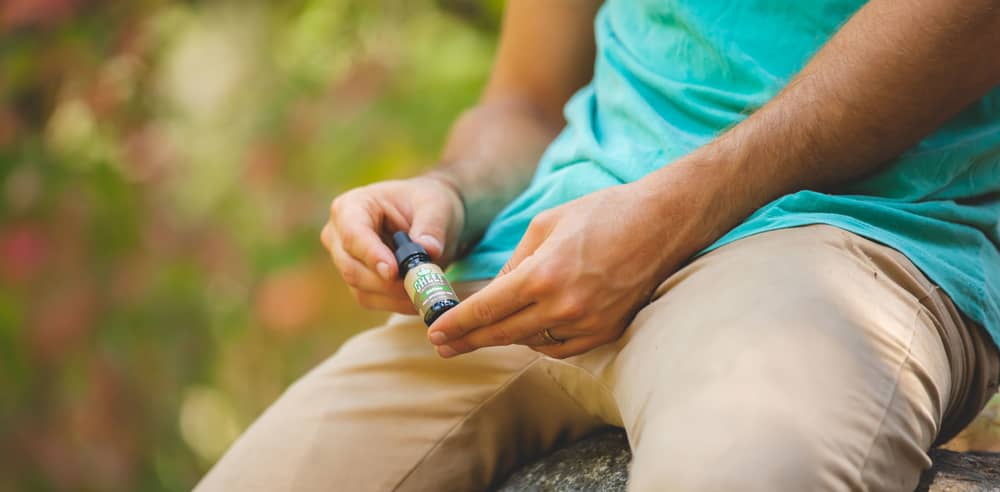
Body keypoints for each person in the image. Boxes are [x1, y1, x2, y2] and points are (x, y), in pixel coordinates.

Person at [197, 0, 1000, 490]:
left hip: (840, 244)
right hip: (530, 268)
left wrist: (669, 213)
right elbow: (526, 97)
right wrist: (450, 191)